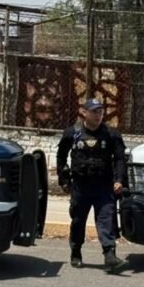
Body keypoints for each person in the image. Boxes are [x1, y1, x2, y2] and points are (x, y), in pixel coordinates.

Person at [56, 97, 129, 272]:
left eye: (100, 112)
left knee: (106, 219)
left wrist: (119, 180)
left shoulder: (111, 134)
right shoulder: (72, 133)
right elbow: (61, 157)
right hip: (80, 186)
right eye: (94, 112)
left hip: (104, 185)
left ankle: (110, 255)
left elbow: (120, 159)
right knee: (78, 220)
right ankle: (76, 252)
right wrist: (64, 180)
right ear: (84, 112)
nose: (98, 115)